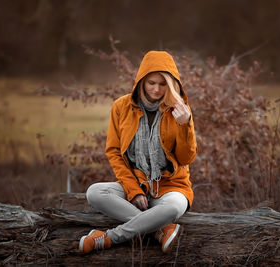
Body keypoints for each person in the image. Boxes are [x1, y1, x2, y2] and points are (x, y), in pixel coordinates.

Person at [79, 51, 197, 254]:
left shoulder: (180, 110)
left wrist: (184, 125)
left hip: (171, 186)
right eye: (151, 83)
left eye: (163, 84)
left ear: (171, 85)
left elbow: (187, 158)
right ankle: (160, 230)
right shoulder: (121, 107)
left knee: (173, 208)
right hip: (136, 183)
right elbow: (114, 152)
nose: (157, 89)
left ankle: (107, 238)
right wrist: (133, 191)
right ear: (141, 81)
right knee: (95, 192)